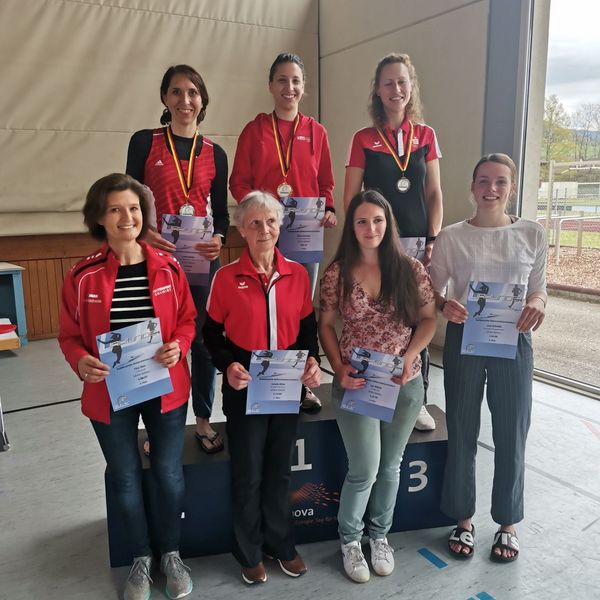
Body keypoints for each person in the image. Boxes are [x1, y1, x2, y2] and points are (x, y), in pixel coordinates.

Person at [58, 173, 196, 600]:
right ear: (99, 217)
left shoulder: (169, 267)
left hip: (166, 389)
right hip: (108, 394)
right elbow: (68, 335)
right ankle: (140, 558)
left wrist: (178, 345)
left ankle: (171, 553)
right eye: (116, 209)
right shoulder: (83, 276)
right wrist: (81, 361)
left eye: (134, 208)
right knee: (124, 479)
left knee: (170, 477)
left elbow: (188, 320)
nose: (127, 217)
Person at [429, 153, 548, 563]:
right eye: (483, 180)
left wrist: (537, 303)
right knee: (461, 429)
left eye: (500, 182)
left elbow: (539, 288)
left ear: (511, 187)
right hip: (466, 339)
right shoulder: (451, 237)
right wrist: (446, 305)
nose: (491, 189)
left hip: (514, 340)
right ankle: (463, 519)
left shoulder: (532, 234)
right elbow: (433, 290)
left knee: (511, 433)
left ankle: (508, 523)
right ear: (472, 186)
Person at [203, 191, 321, 585]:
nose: (264, 229)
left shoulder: (298, 275)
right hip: (244, 387)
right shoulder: (224, 277)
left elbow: (307, 328)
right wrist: (228, 365)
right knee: (248, 472)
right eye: (254, 222)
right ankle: (249, 550)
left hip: (286, 386)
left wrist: (312, 360)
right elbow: (211, 335)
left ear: (281, 224)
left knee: (279, 472)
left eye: (270, 221)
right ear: (240, 228)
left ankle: (281, 544)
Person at [319, 190, 437, 583]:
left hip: (404, 383)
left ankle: (379, 536)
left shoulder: (411, 269)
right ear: (352, 227)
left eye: (378, 221)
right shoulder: (337, 272)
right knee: (364, 469)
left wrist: (410, 356)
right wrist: (337, 367)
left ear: (389, 224)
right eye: (362, 221)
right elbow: (326, 326)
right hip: (358, 383)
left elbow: (427, 320)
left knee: (390, 466)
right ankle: (350, 540)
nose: (371, 229)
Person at [126, 64, 229, 454]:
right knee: (159, 343)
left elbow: (220, 212)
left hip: (201, 263)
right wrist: (143, 233)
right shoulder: (145, 142)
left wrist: (218, 238)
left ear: (202, 100)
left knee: (203, 343)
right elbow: (128, 201)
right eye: (177, 92)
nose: (185, 100)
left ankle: (202, 420)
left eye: (192, 93)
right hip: (155, 262)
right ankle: (157, 427)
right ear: (165, 98)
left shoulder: (215, 152)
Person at [229, 52, 336, 413]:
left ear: (303, 88)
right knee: (263, 310)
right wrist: (257, 215)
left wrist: (330, 209)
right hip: (264, 235)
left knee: (300, 312)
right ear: (271, 85)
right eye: (281, 80)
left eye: (295, 81)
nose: (289, 87)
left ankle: (301, 383)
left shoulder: (317, 132)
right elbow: (238, 182)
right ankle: (266, 379)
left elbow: (326, 184)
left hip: (305, 238)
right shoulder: (255, 130)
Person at [342, 53, 443, 432]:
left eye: (402, 81)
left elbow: (433, 193)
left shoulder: (427, 135)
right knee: (382, 320)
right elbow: (353, 198)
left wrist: (433, 238)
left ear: (410, 86)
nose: (396, 89)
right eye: (388, 82)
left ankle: (419, 398)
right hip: (378, 243)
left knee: (417, 318)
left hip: (418, 242)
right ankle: (375, 389)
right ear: (378, 90)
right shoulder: (363, 139)